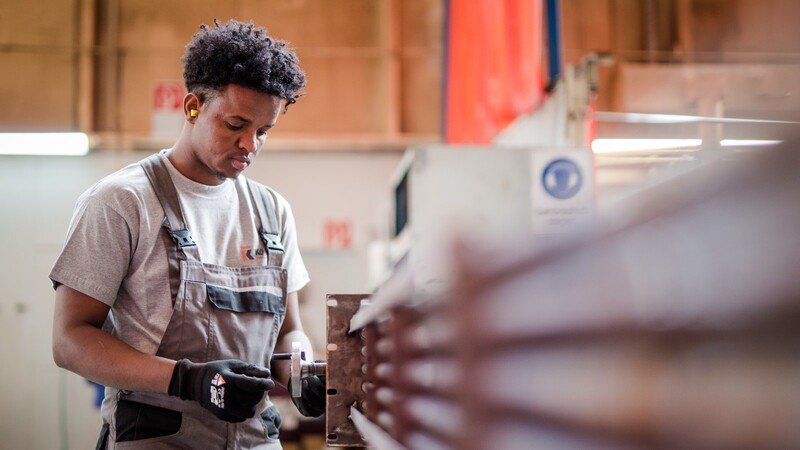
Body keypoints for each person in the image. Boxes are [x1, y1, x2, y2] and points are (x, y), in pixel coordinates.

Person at [50, 19, 325, 449]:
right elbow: (70, 340)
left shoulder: (273, 211)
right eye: (235, 125)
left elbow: (290, 333)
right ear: (193, 106)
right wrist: (189, 380)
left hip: (255, 441)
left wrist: (302, 373)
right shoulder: (122, 202)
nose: (249, 145)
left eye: (263, 131)